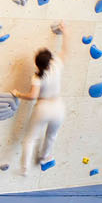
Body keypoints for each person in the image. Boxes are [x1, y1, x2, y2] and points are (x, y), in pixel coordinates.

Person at [16, 45, 64, 174]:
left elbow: (32, 96)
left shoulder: (37, 77)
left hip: (43, 107)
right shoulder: (57, 66)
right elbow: (65, 50)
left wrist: (18, 94)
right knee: (51, 136)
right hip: (58, 106)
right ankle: (44, 157)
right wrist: (65, 34)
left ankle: (24, 168)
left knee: (30, 138)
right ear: (50, 60)